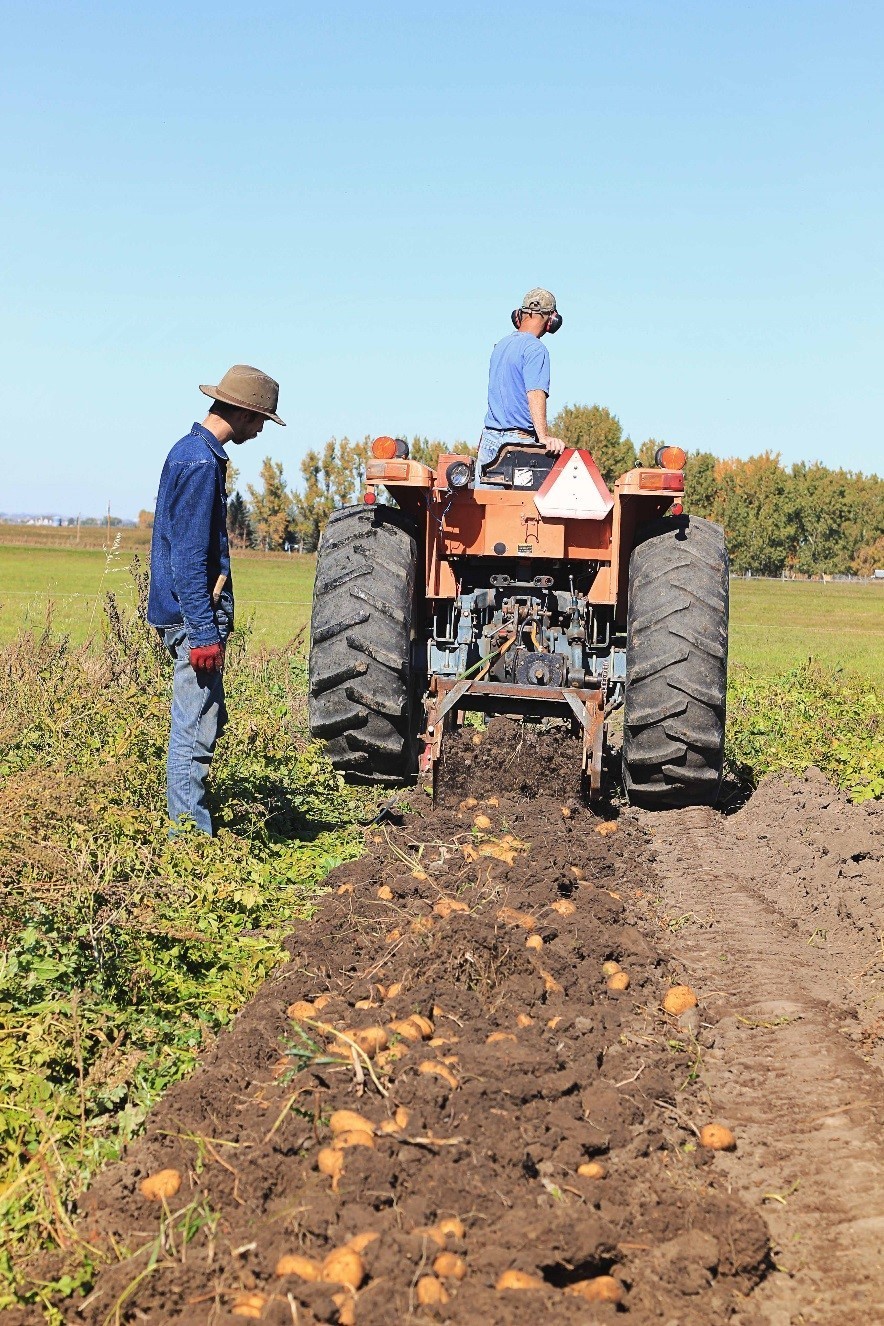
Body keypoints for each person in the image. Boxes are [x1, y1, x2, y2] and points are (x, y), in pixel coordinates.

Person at [148, 364, 285, 835]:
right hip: (193, 621)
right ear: (245, 413)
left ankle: (188, 824)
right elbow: (188, 558)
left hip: (189, 616)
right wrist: (204, 633)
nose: (262, 428)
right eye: (262, 419)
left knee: (205, 718)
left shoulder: (192, 454)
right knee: (194, 731)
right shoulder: (200, 463)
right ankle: (188, 840)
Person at [476, 288, 565, 487]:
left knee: (485, 512)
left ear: (519, 315)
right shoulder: (536, 349)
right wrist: (543, 438)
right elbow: (535, 393)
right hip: (517, 445)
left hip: (489, 438)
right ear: (551, 320)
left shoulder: (500, 346)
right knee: (520, 514)